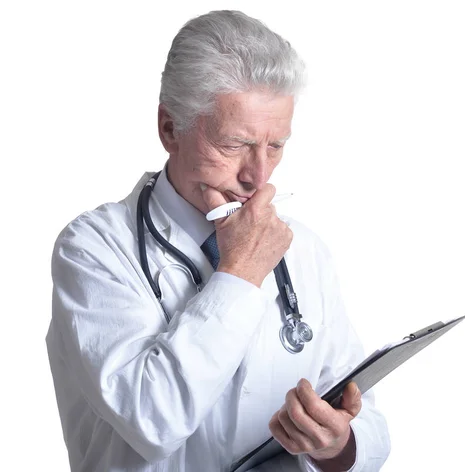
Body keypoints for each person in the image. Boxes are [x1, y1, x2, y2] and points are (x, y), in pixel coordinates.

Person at [46, 10, 390, 472]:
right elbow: (152, 420)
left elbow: (367, 421)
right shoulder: (94, 249)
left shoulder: (302, 248)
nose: (258, 175)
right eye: (234, 145)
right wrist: (241, 272)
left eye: (276, 145)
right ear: (170, 129)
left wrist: (336, 444)